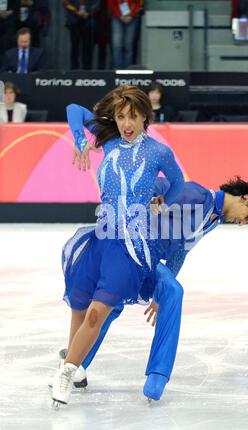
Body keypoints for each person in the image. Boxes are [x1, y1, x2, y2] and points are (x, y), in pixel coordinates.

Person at [53, 175, 248, 404]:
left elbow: (180, 252)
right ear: (245, 198)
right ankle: (76, 362)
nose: (242, 223)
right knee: (115, 304)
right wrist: (149, 201)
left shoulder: (213, 218)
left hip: (150, 262)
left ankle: (155, 375)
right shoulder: (198, 195)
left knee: (169, 292)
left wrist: (158, 293)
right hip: (133, 253)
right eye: (247, 217)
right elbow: (159, 185)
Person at [51, 85, 184, 406]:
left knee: (97, 313)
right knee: (79, 310)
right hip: (101, 239)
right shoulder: (109, 139)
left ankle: (66, 372)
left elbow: (179, 182)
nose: (127, 123)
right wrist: (81, 142)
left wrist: (164, 199)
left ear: (144, 118)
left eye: (134, 117)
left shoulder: (158, 152)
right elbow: (73, 109)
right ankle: (77, 365)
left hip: (132, 248)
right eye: (121, 116)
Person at [63, 0, 100, 70]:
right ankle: (74, 70)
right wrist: (77, 11)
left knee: (88, 47)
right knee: (75, 47)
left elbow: (97, 3)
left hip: (88, 20)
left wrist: (88, 12)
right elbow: (66, 3)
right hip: (74, 19)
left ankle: (87, 71)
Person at [108, 0, 142, 69]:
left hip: (132, 18)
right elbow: (111, 3)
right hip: (117, 18)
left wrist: (131, 15)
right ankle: (117, 70)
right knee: (117, 46)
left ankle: (127, 72)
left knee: (129, 46)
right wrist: (119, 15)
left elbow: (138, 2)